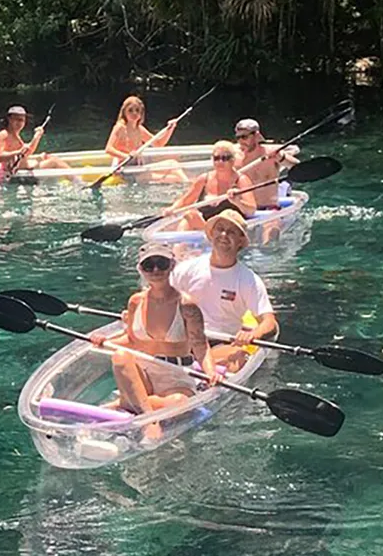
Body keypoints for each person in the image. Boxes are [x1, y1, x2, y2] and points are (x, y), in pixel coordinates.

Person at [89, 242, 223, 438]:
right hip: (143, 372)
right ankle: (149, 418)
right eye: (148, 265)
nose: (156, 270)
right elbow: (132, 340)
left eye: (161, 263)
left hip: (175, 374)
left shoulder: (187, 305)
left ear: (172, 265)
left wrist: (211, 372)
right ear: (140, 269)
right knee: (120, 356)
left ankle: (128, 404)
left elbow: (200, 346)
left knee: (178, 402)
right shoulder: (136, 301)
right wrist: (103, 341)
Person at [170, 210, 279, 371]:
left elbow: (270, 323)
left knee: (237, 358)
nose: (223, 234)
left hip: (219, 343)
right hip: (182, 340)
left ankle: (203, 377)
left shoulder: (249, 280)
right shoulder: (186, 269)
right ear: (211, 235)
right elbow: (159, 297)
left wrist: (253, 334)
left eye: (231, 232)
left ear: (241, 241)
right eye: (219, 229)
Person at [165, 140, 255, 232]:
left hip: (228, 231)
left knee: (190, 216)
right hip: (205, 228)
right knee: (189, 216)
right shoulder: (203, 179)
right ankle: (177, 245)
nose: (220, 162)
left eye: (225, 158)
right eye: (216, 158)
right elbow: (185, 201)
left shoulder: (241, 180)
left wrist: (238, 201)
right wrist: (172, 209)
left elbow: (251, 210)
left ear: (233, 160)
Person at [103, 96, 187, 183]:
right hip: (124, 170)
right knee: (175, 179)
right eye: (130, 110)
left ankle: (188, 184)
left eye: (137, 110)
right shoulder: (120, 127)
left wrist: (171, 128)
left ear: (141, 113)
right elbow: (108, 149)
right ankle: (189, 186)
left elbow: (159, 144)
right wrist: (127, 156)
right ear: (124, 112)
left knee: (173, 163)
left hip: (138, 167)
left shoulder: (139, 129)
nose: (134, 113)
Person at [0, 105, 70, 185]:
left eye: (22, 120)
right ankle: (78, 183)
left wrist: (37, 137)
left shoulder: (16, 135)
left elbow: (26, 153)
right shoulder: (4, 135)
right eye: (17, 120)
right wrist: (18, 152)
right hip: (17, 176)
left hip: (24, 171)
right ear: (9, 119)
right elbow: (0, 156)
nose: (20, 123)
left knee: (47, 157)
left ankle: (75, 181)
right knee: (54, 162)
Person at [233, 118, 299, 210]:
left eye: (244, 137)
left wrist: (281, 157)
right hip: (244, 209)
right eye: (238, 137)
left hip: (269, 208)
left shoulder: (271, 153)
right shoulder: (234, 157)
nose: (240, 141)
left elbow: (297, 167)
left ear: (256, 135)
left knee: (271, 224)